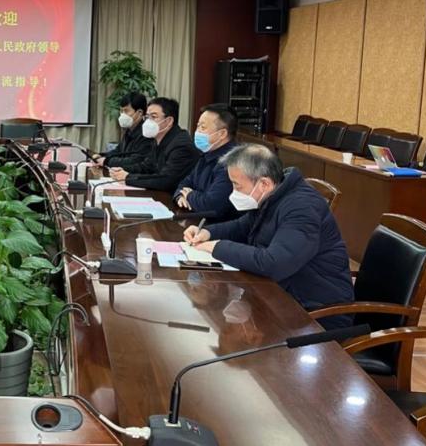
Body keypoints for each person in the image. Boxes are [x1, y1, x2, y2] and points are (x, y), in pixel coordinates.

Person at [183, 144, 354, 329]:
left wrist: (217, 247)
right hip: (280, 297)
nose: (233, 192)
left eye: (237, 185)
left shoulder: (302, 208)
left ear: (264, 183)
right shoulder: (273, 195)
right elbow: (243, 226)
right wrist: (207, 232)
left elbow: (274, 263)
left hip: (315, 314)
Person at [109, 97, 199, 193]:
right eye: (147, 117)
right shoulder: (158, 138)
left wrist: (127, 178)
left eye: (154, 117)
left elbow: (165, 180)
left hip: (174, 198)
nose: (148, 121)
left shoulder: (181, 145)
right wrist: (122, 170)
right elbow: (147, 166)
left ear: (169, 121)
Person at [174, 104, 240, 222]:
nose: (197, 131)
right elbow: (185, 183)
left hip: (219, 226)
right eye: (198, 126)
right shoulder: (207, 153)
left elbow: (212, 205)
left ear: (222, 134)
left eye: (203, 127)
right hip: (196, 218)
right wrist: (180, 196)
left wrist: (189, 195)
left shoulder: (232, 161)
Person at [93, 92, 153, 169]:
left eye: (126, 111)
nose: (122, 114)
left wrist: (106, 161)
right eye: (121, 111)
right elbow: (119, 151)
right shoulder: (129, 130)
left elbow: (135, 160)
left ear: (140, 113)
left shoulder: (146, 133)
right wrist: (102, 156)